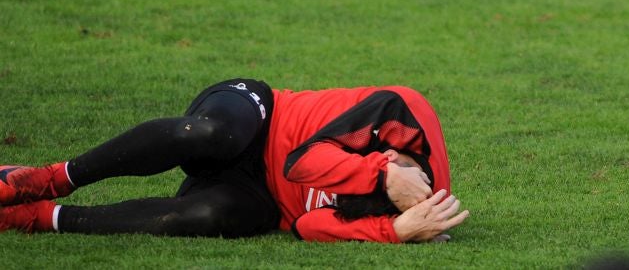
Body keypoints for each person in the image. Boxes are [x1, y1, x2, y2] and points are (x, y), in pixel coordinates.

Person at [0, 78, 468, 243]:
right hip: (260, 117)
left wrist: (395, 231)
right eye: (388, 158)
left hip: (262, 199)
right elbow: (301, 163)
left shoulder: (414, 213)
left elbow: (309, 227)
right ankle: (48, 179)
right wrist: (382, 174)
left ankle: (37, 217)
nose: (385, 158)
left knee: (205, 214)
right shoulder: (403, 109)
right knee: (210, 133)